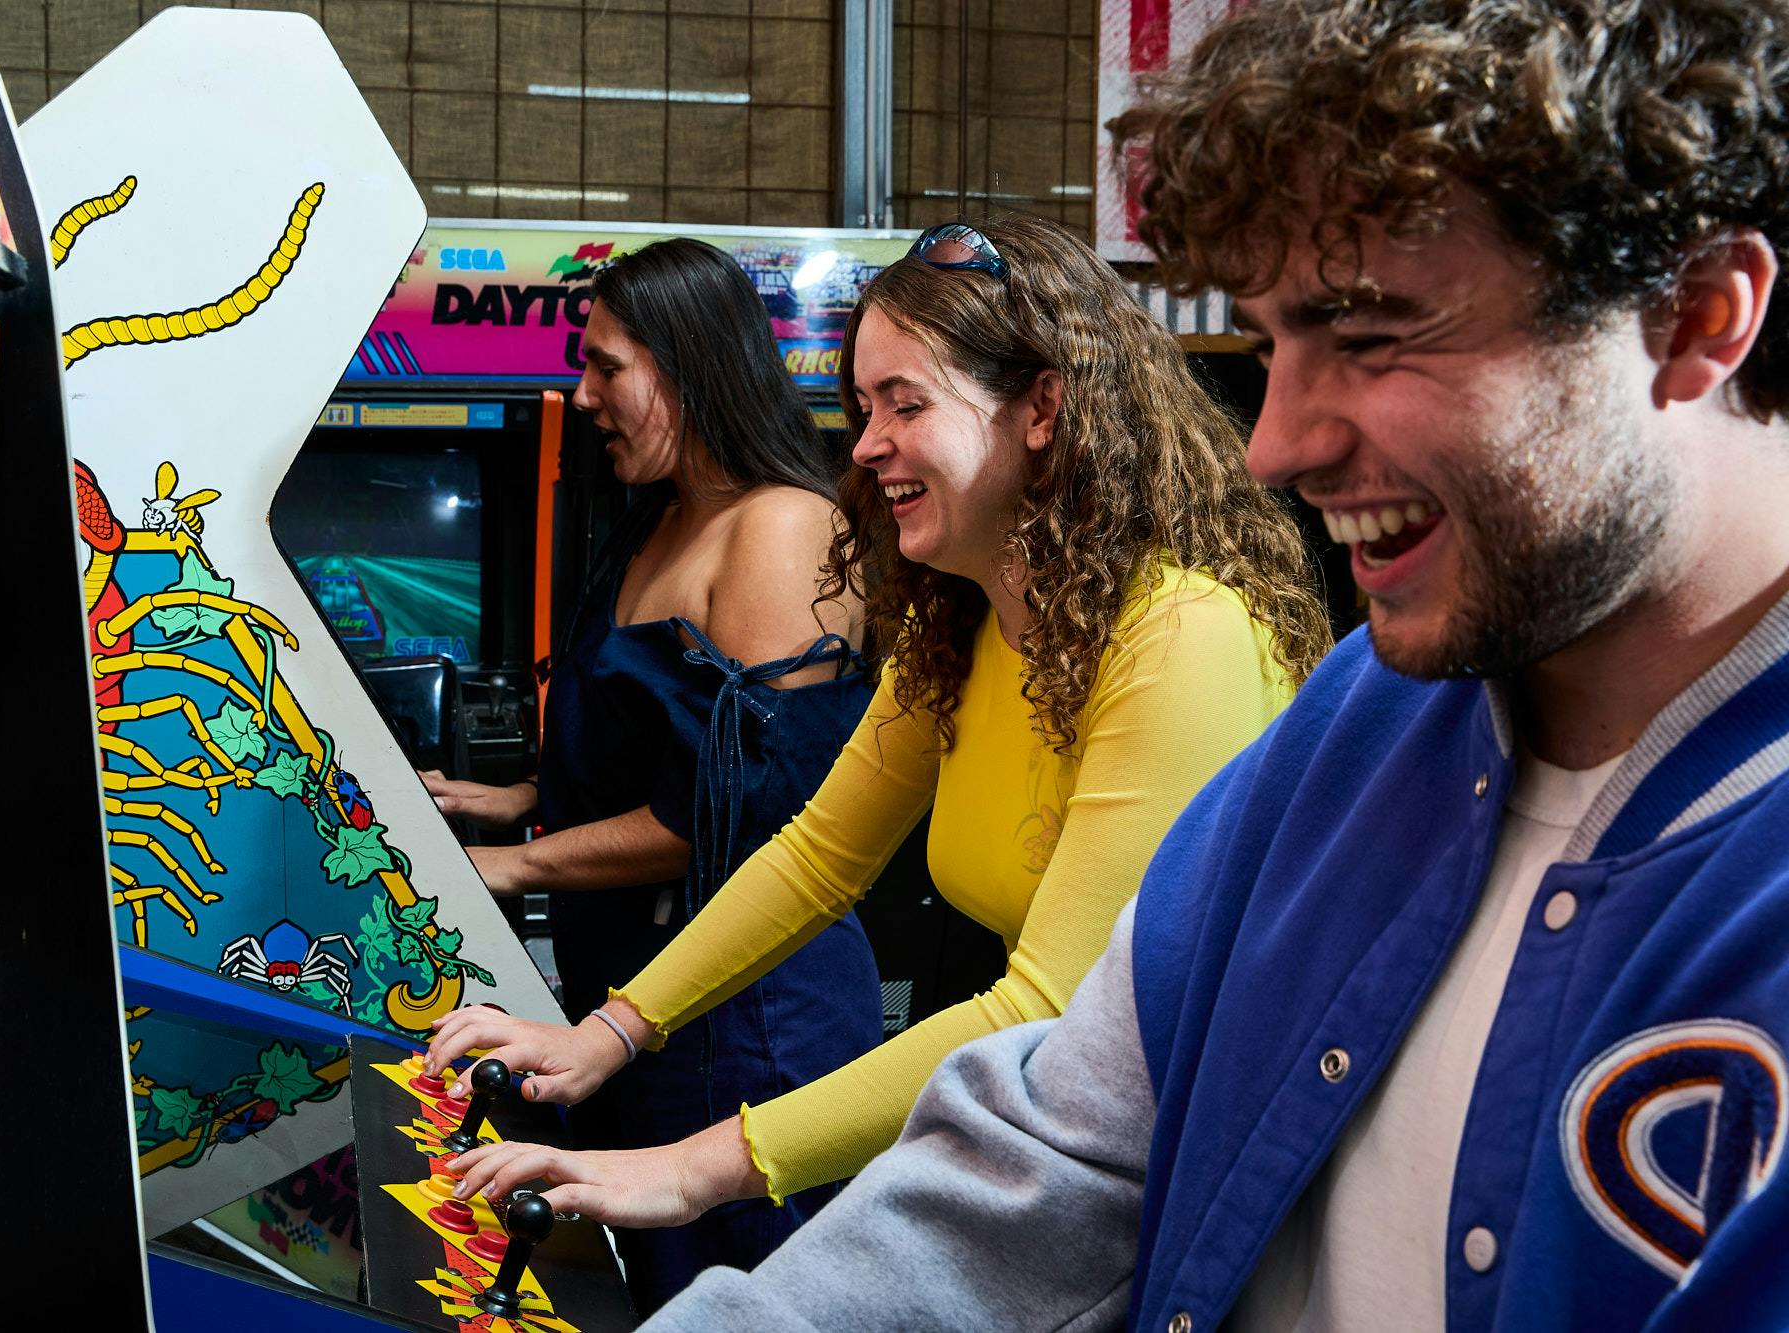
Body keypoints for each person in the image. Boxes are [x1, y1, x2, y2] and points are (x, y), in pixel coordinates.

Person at [619, 1, 1789, 1328]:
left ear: (1695, 317)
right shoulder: (1356, 729)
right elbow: (1061, 1146)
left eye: (1369, 334)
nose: (1273, 444)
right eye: (1275, 341)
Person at [428, 215, 1333, 1243]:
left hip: (1205, 1166)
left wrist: (692, 1168)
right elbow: (817, 855)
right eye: (863, 406)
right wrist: (608, 1033)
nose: (864, 446)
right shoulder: (963, 624)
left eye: (904, 404)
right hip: (1074, 1132)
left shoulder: (1180, 635)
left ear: (1041, 408)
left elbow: (1047, 1001)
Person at [420, 237, 888, 1311]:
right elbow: (658, 743)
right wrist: (509, 799)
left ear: (684, 366)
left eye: (604, 367)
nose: (580, 395)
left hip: (748, 1021)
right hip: (629, 1008)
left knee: (742, 1301)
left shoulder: (783, 526)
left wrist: (514, 861)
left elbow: (748, 808)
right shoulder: (661, 522)